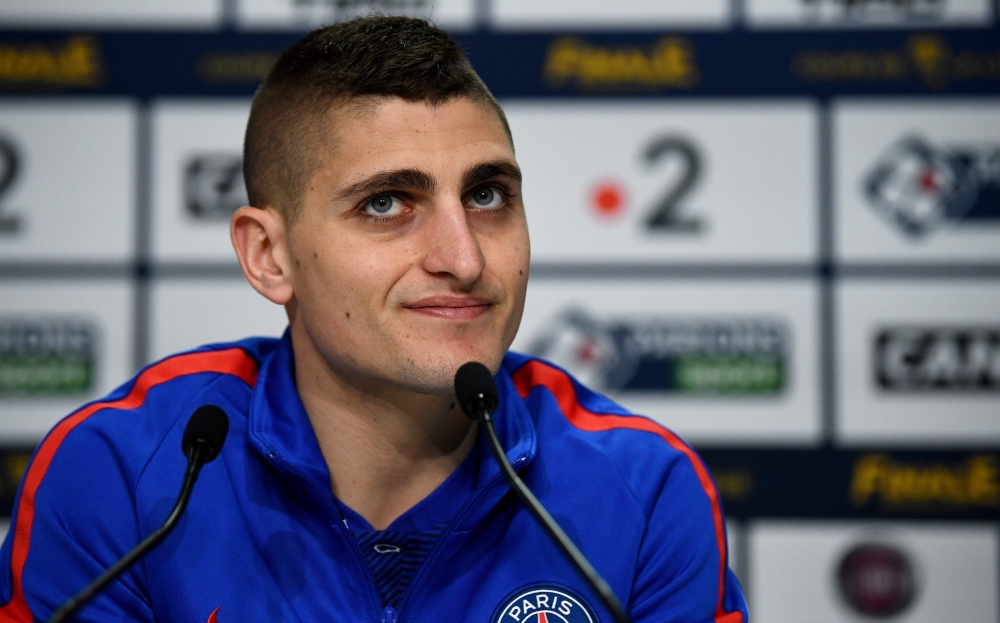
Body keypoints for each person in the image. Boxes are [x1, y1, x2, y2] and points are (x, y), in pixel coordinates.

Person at [0, 16, 747, 623]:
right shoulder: (121, 474)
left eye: (487, 195)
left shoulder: (645, 491)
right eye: (386, 203)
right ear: (269, 255)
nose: (464, 258)